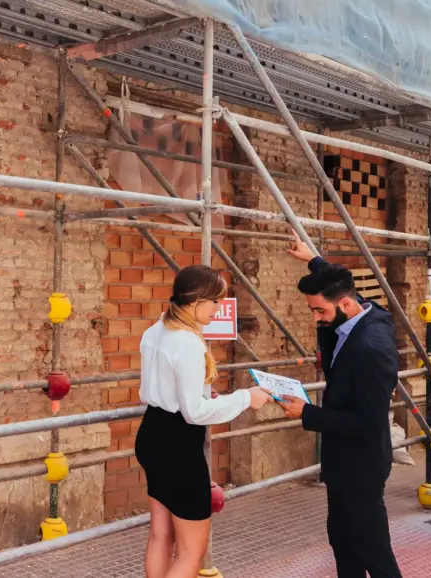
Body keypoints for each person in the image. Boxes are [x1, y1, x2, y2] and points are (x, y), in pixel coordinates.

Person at [135, 264, 273, 578]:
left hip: (152, 433)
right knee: (191, 552)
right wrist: (245, 399)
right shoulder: (187, 343)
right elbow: (194, 412)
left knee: (160, 533)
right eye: (215, 302)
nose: (218, 309)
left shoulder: (155, 330)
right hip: (178, 445)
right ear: (197, 301)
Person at [279, 234, 402, 578]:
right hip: (343, 462)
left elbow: (368, 421)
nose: (316, 318)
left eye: (321, 310)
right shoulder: (363, 311)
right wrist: (314, 260)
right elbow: (340, 282)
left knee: (374, 553)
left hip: (361, 467)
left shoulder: (371, 348)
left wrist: (306, 414)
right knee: (343, 544)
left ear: (346, 305)